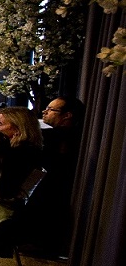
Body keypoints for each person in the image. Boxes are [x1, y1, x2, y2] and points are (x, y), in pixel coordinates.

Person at [29, 94, 86, 255]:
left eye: (51, 109)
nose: (44, 112)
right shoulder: (58, 136)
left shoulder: (59, 138)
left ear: (67, 115)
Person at [0, 106, 45, 203]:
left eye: (0, 124)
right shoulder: (33, 150)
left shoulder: (17, 155)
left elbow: (4, 190)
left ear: (18, 129)